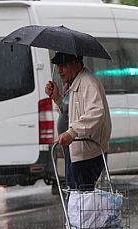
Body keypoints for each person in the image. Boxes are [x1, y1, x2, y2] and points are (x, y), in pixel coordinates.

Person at [44, 52, 112, 191]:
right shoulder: (72, 84)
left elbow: (97, 112)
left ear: (77, 65)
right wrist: (57, 98)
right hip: (74, 150)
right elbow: (70, 112)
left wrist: (73, 132)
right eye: (58, 66)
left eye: (63, 66)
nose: (59, 71)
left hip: (86, 153)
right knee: (76, 196)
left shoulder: (88, 83)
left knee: (81, 197)